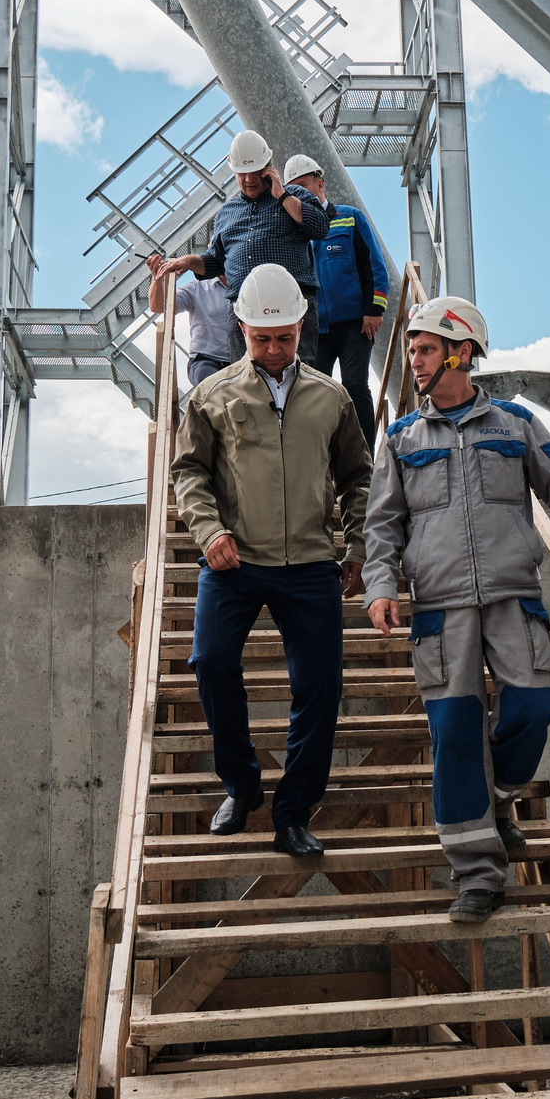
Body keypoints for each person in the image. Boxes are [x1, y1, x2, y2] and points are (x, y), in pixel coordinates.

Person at [362, 295, 550, 922]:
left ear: (462, 352)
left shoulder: (515, 425)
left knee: (533, 705)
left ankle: (497, 798)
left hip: (512, 596)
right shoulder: (400, 439)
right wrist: (380, 585)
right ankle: (477, 874)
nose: (415, 361)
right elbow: (382, 526)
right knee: (455, 734)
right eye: (413, 350)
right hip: (439, 608)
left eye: (426, 349)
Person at [171, 263, 374, 859]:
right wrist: (208, 532)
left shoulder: (331, 398)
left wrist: (358, 546)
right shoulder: (210, 396)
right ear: (241, 329)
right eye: (262, 339)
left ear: (301, 326)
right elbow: (188, 473)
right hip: (233, 561)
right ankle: (241, 785)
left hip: (310, 562)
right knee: (210, 662)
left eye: (285, 337)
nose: (275, 349)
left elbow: (359, 478)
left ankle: (292, 813)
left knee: (320, 687)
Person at [144, 129, 328, 364]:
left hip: (293, 304)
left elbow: (319, 227)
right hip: (244, 310)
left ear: (269, 168)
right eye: (242, 173)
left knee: (297, 375)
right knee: (246, 379)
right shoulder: (227, 213)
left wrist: (281, 195)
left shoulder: (295, 195)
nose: (249, 179)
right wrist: (190, 261)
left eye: (255, 172)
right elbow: (216, 262)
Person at [287, 154, 395, 448]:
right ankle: (323, 457)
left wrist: (374, 309)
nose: (299, 193)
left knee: (355, 385)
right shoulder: (292, 231)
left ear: (320, 185)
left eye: (303, 185)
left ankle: (364, 457)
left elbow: (374, 265)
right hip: (314, 329)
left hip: (354, 325)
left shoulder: (350, 217)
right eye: (292, 188)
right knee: (314, 392)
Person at [151, 264, 238, 390]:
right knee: (213, 386)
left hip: (241, 362)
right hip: (205, 361)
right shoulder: (196, 288)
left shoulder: (249, 288)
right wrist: (157, 279)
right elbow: (159, 306)